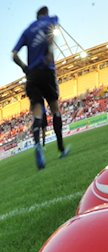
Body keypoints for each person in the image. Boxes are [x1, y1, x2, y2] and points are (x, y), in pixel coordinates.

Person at [12, 6, 70, 169]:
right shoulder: (51, 20)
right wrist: (48, 53)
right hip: (47, 71)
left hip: (32, 75)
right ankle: (61, 149)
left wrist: (25, 68)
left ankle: (38, 147)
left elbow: (14, 54)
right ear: (45, 14)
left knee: (37, 115)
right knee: (55, 109)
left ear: (36, 16)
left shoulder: (27, 30)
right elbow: (52, 35)